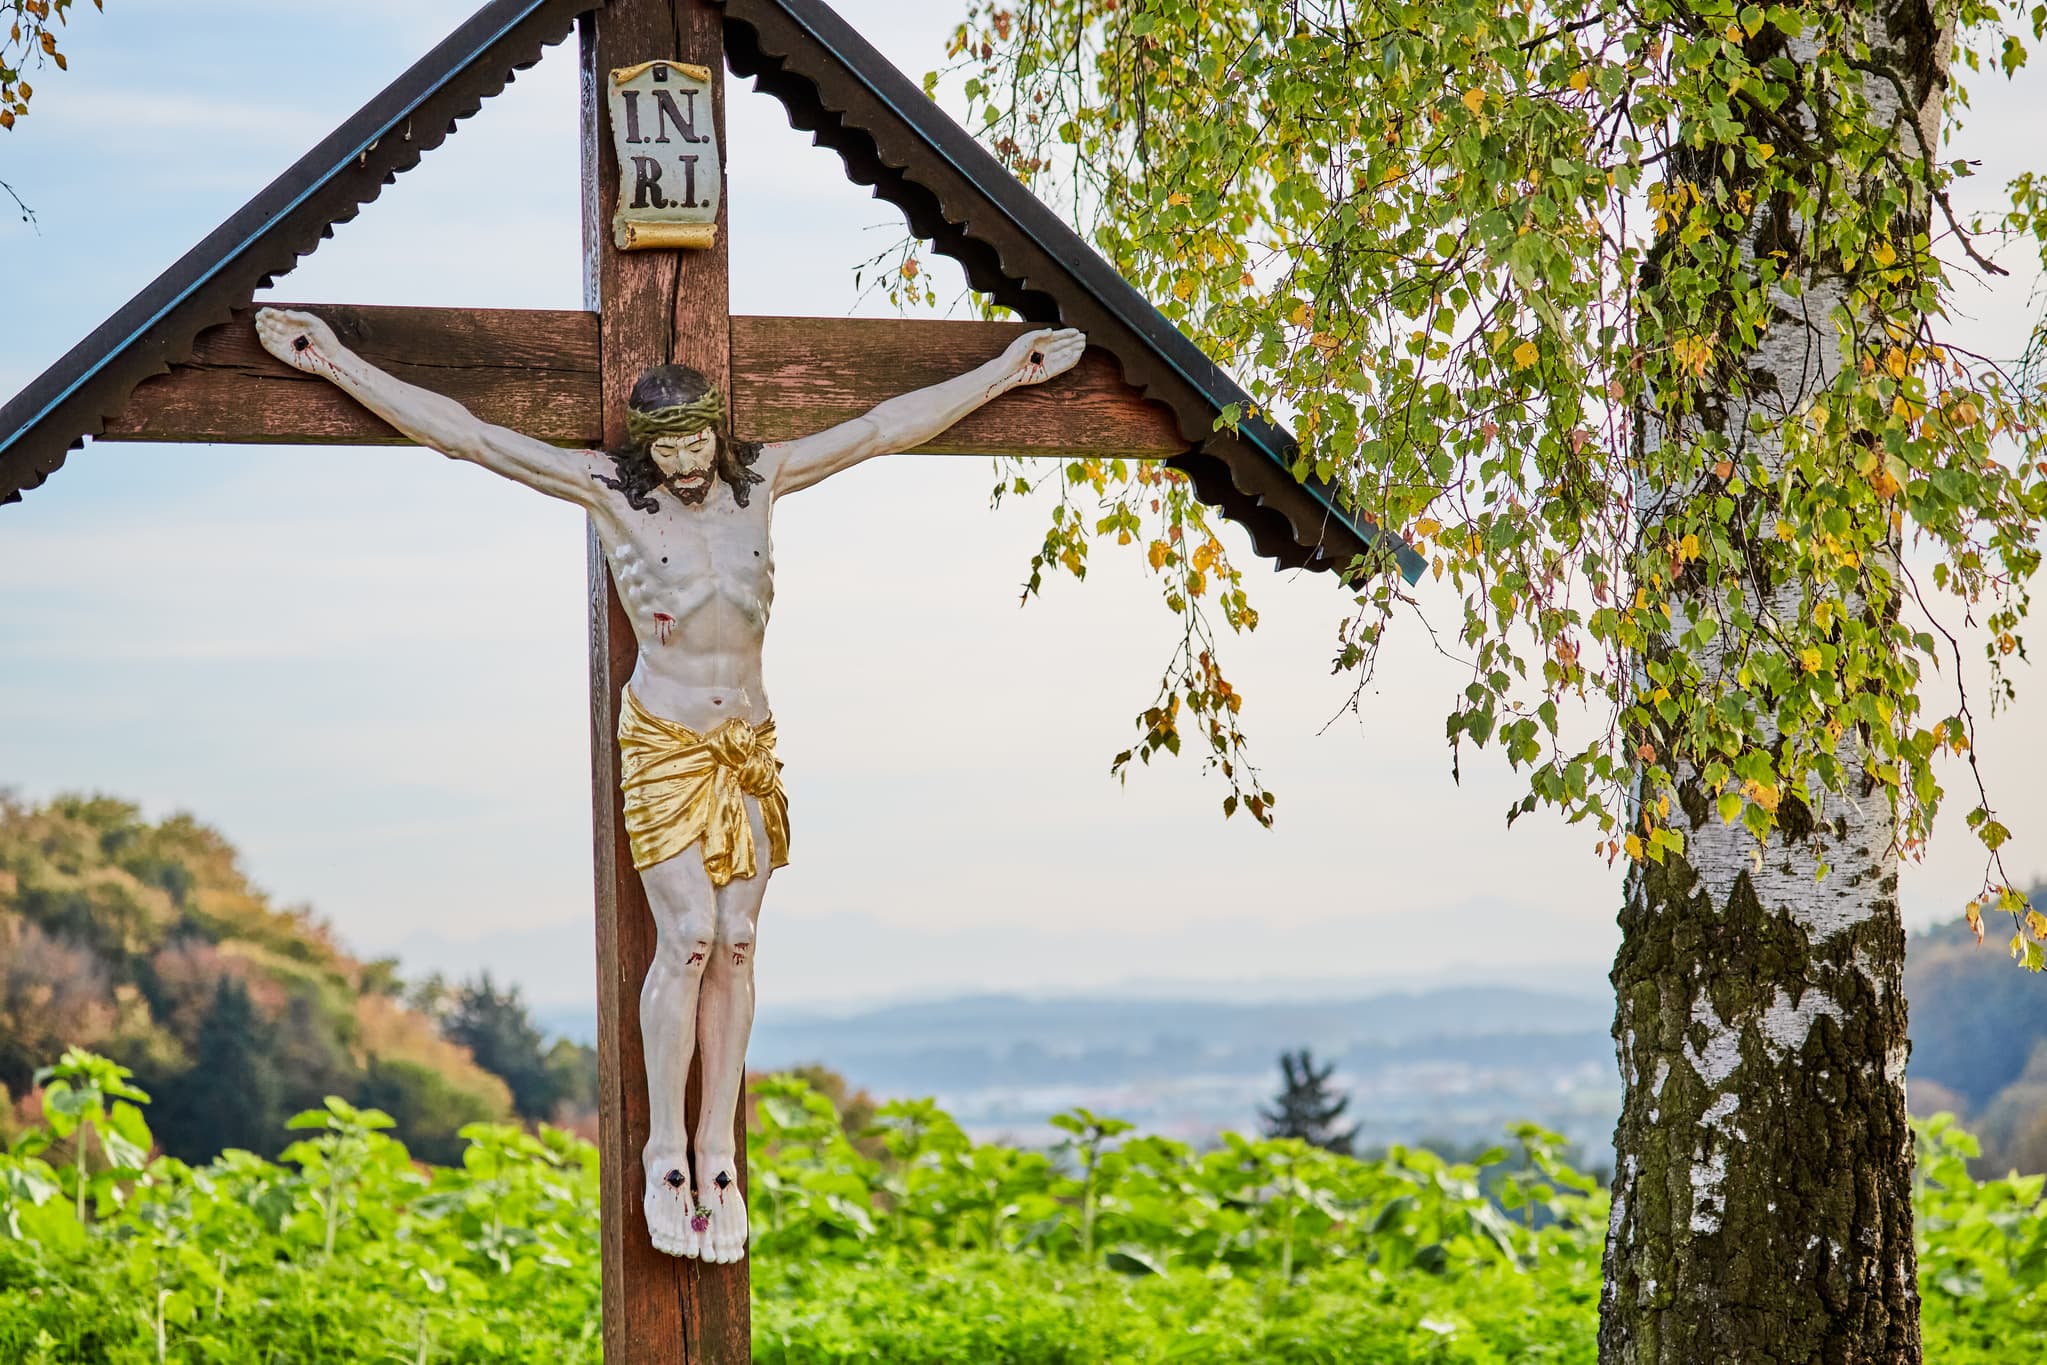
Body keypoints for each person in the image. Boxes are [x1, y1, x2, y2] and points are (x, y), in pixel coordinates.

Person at [255, 305, 1083, 1262]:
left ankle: (718, 1146)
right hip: (664, 738)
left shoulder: (761, 479)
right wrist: (336, 364)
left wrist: (1007, 372)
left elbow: (884, 427)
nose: (689, 464)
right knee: (686, 939)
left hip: (747, 739)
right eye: (673, 450)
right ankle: (663, 1151)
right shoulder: (609, 490)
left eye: (699, 442)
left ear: (717, 432)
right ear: (647, 451)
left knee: (736, 942)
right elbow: (469, 437)